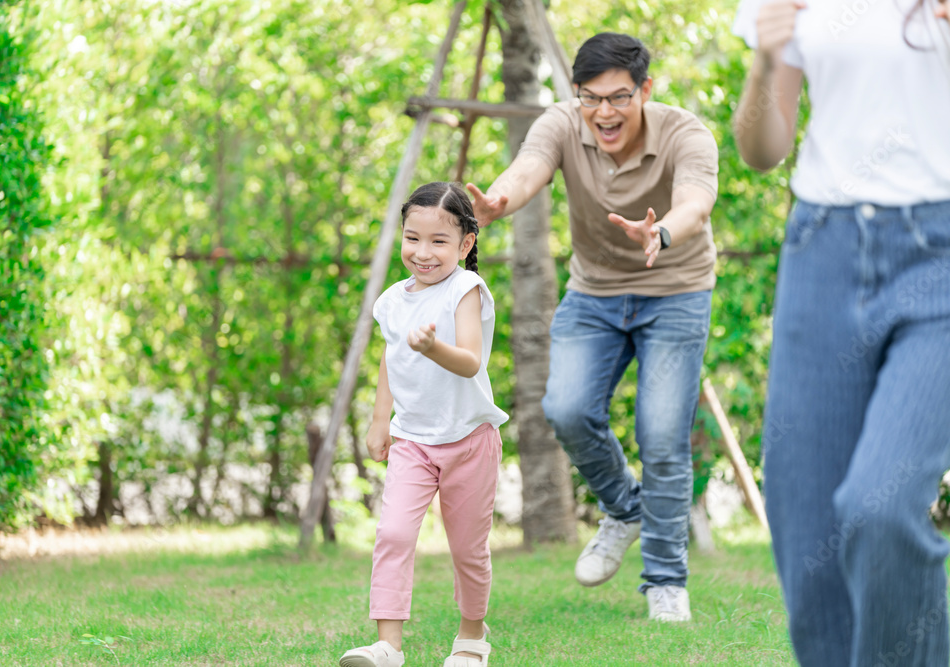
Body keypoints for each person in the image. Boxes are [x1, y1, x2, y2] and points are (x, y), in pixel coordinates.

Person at [467, 32, 719, 622]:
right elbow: (528, 167)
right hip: (596, 292)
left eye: (618, 97)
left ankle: (664, 578)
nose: (603, 112)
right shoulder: (562, 123)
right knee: (567, 410)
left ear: (645, 91)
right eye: (590, 98)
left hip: (676, 290)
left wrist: (661, 232)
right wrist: (501, 200)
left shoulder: (685, 132)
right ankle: (624, 509)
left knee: (661, 434)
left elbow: (697, 199)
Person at [733, 0, 950, 664]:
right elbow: (762, 149)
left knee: (876, 507)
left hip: (939, 251)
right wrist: (767, 60)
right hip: (822, 246)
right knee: (807, 533)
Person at [340, 182, 509, 667]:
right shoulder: (392, 301)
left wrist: (434, 347)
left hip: (470, 441)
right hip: (413, 439)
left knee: (467, 551)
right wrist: (379, 421)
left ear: (465, 244)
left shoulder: (467, 290)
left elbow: (472, 361)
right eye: (412, 238)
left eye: (438, 241)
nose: (423, 252)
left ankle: (471, 640)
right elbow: (390, 360)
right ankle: (387, 646)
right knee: (392, 533)